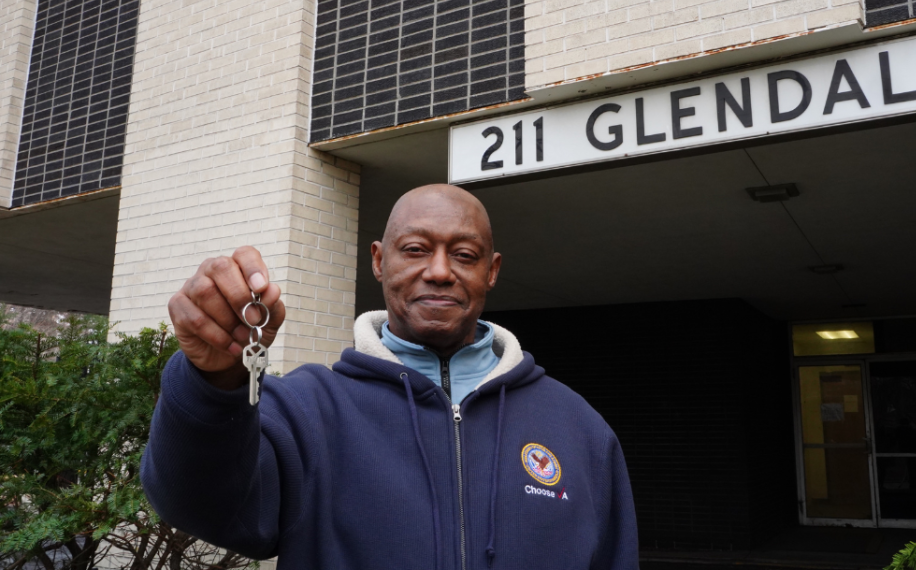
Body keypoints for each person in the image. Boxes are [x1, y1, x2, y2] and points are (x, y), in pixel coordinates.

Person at [141, 184, 639, 569]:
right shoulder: (305, 411)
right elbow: (197, 503)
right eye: (416, 249)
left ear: (492, 270)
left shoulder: (580, 429)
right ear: (380, 260)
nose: (440, 271)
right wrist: (211, 380)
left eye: (464, 255)